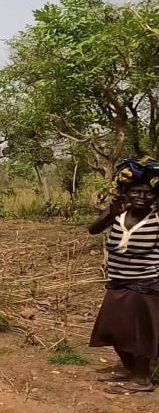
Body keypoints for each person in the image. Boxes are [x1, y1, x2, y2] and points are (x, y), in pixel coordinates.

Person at [89, 158, 159, 394]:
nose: (141, 196)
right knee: (113, 329)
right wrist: (110, 213)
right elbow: (93, 229)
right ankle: (131, 370)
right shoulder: (118, 214)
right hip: (118, 283)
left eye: (148, 193)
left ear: (155, 197)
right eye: (136, 191)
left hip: (146, 285)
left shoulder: (156, 220)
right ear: (126, 192)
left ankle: (142, 380)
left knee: (139, 334)